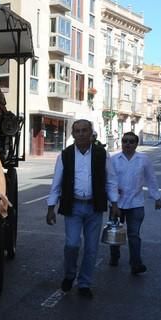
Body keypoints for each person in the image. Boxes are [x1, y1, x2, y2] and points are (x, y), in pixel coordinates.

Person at [47, 119, 120, 298]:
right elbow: (56, 183)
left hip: (94, 208)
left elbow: (111, 180)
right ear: (72, 134)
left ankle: (84, 283)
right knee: (72, 244)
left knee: (91, 248)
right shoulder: (64, 155)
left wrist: (115, 203)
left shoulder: (101, 154)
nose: (81, 134)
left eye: (84, 130)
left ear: (91, 133)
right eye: (77, 131)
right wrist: (51, 206)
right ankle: (70, 274)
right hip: (73, 206)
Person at [109, 132, 161, 274]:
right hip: (117, 203)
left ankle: (136, 263)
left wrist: (157, 197)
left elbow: (151, 179)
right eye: (125, 141)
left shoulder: (144, 160)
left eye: (131, 141)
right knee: (114, 233)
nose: (127, 144)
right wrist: (113, 193)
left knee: (134, 235)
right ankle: (114, 256)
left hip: (136, 203)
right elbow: (108, 180)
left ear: (136, 144)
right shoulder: (114, 160)